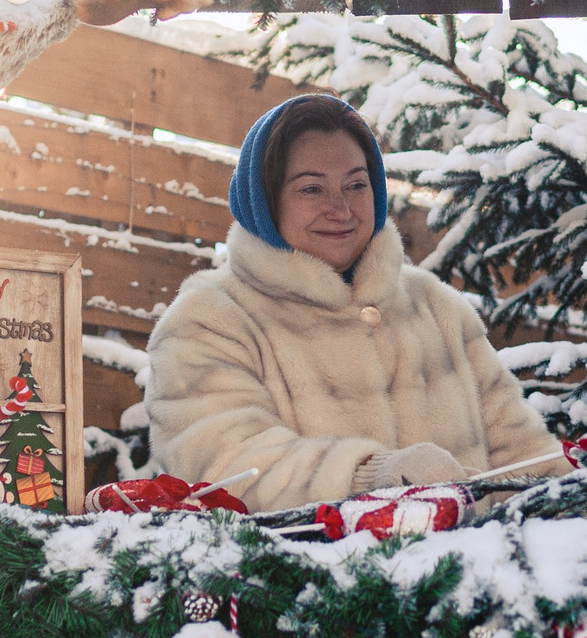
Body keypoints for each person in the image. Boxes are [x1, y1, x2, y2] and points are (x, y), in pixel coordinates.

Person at [145, 94, 561, 512]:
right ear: (265, 202)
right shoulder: (207, 321)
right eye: (312, 188)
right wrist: (367, 476)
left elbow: (526, 457)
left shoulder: (435, 306)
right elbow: (226, 467)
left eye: (356, 185)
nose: (341, 209)